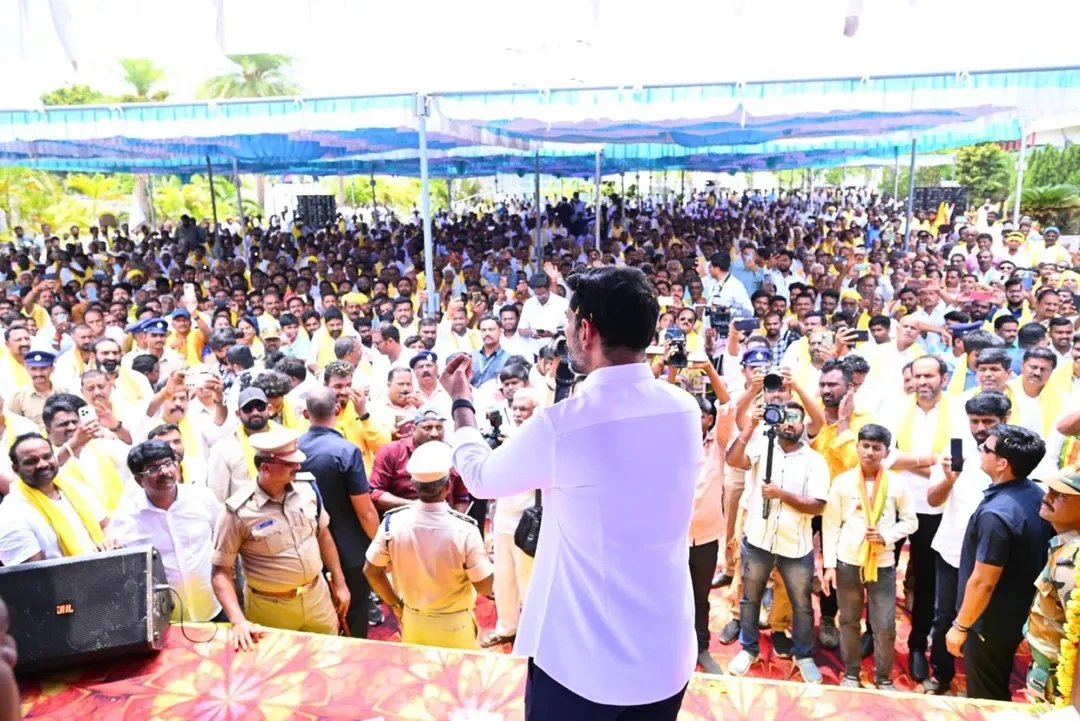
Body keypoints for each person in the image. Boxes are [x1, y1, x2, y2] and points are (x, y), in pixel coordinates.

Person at [444, 266, 702, 719]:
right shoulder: (683, 409)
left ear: (586, 329)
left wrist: (461, 401)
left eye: (567, 321)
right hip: (665, 653)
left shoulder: (564, 426)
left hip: (582, 666)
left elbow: (480, 477)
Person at [210, 428, 351, 649]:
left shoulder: (308, 490)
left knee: (329, 658)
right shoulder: (237, 512)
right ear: (266, 467)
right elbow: (220, 572)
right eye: (290, 464)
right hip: (271, 607)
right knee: (280, 670)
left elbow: (323, 534)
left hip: (317, 597)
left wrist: (340, 584)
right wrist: (238, 620)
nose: (298, 466)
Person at [947, 424, 1053, 701]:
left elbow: (983, 582)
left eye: (987, 448)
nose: (981, 451)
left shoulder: (998, 515)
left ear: (1002, 464)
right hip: (1016, 611)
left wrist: (960, 627)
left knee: (986, 696)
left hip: (988, 623)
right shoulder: (1035, 494)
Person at [725, 400, 828, 683]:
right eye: (785, 417)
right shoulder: (762, 447)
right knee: (750, 598)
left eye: (796, 418)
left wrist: (781, 494)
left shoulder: (815, 461)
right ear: (777, 420)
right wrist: (751, 427)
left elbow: (817, 505)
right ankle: (749, 648)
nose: (790, 423)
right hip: (758, 539)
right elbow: (733, 460)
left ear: (804, 424)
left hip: (795, 546)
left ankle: (804, 654)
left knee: (802, 604)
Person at [363, 440, 494, 649]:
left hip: (413, 618)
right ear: (447, 487)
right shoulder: (465, 530)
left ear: (414, 486)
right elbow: (485, 586)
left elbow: (371, 571)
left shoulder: (391, 523)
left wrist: (395, 605)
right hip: (455, 624)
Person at [924, 390, 1012, 695]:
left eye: (987, 421)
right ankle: (942, 676)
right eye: (974, 421)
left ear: (1005, 420)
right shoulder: (955, 449)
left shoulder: (1015, 453)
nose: (979, 428)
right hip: (951, 549)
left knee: (985, 621)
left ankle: (982, 683)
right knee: (944, 616)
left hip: (994, 555)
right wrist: (950, 478)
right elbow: (932, 501)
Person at [822, 424, 918, 690]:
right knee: (849, 620)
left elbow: (911, 521)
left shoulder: (897, 483)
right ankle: (851, 673)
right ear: (857, 447)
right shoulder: (842, 482)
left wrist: (888, 535)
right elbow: (830, 525)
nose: (870, 453)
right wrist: (830, 565)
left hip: (883, 563)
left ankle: (883, 677)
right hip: (848, 561)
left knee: (884, 624)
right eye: (865, 446)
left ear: (886, 452)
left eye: (877, 448)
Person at [108, 440, 224, 622]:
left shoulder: (202, 498)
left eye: (168, 464)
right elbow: (117, 559)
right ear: (139, 480)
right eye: (153, 469)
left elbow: (222, 540)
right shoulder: (127, 517)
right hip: (166, 620)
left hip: (213, 608)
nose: (164, 472)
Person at [298, 387, 380, 638]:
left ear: (305, 414)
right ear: (337, 409)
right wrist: (381, 545)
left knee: (317, 615)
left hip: (307, 547)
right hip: (350, 548)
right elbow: (365, 510)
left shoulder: (293, 449)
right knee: (354, 614)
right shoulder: (347, 451)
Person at [0, 433, 117, 564]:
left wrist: (108, 541)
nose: (42, 464)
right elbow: (31, 575)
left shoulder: (76, 487)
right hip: (64, 583)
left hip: (107, 572)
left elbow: (106, 525)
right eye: (31, 461)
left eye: (47, 456)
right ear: (16, 469)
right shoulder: (10, 514)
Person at [1024, 470, 1080, 702]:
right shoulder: (1063, 546)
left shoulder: (1070, 561)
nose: (1048, 497)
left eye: (1062, 496)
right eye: (1050, 490)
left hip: (1058, 678)